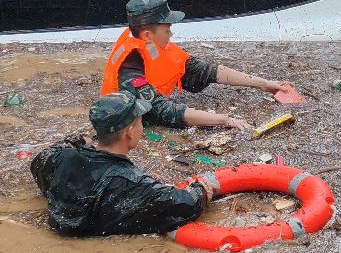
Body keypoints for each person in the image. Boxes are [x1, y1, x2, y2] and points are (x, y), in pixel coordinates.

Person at [30, 91, 217, 236]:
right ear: (129, 132)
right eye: (140, 124)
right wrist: (200, 191)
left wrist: (78, 141)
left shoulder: (62, 159)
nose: (142, 129)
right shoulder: (132, 182)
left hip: (64, 227)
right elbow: (186, 203)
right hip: (93, 233)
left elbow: (39, 161)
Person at [100, 0, 293, 130]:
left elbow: (204, 70)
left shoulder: (151, 43)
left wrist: (265, 84)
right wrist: (224, 119)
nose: (171, 34)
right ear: (148, 35)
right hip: (125, 122)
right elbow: (163, 111)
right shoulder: (129, 69)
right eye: (167, 29)